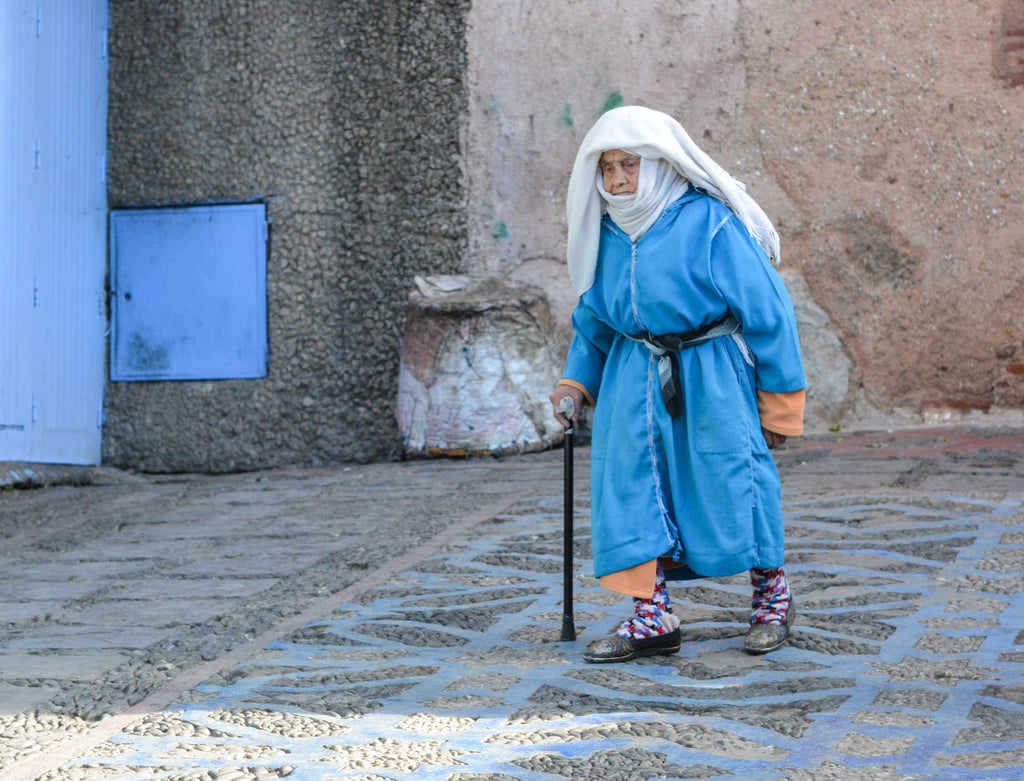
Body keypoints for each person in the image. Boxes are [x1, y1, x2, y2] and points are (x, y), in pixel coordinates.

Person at [549, 105, 807, 663]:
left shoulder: (707, 222)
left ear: (661, 164)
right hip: (630, 377)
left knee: (733, 480)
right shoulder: (608, 230)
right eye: (607, 168)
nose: (617, 180)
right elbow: (593, 321)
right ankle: (653, 614)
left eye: (630, 165)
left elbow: (769, 313)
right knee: (629, 489)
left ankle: (771, 598)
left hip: (711, 373)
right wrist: (575, 383)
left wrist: (780, 406)